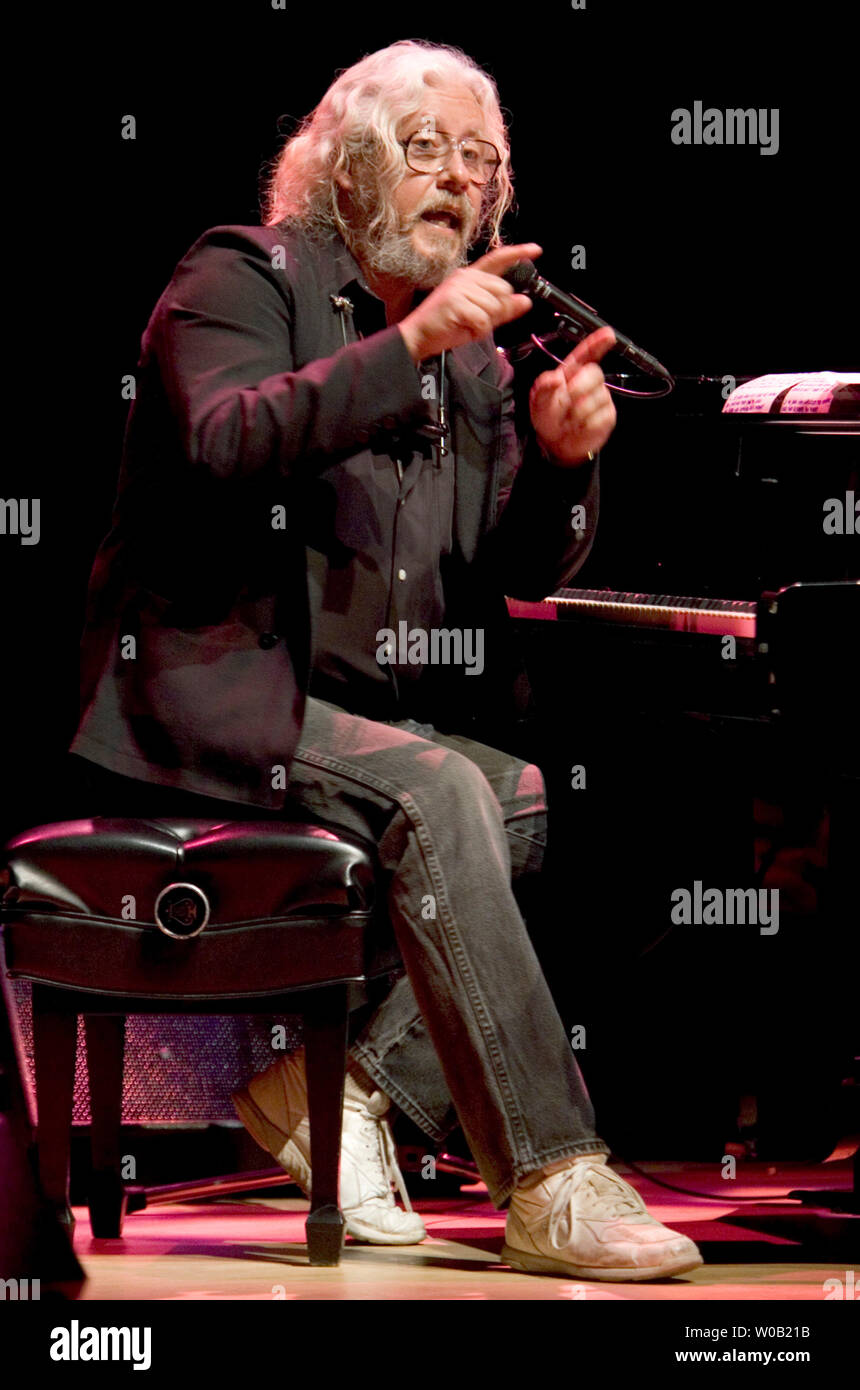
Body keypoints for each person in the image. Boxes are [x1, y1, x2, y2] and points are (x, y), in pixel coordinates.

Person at [66, 39, 702, 1281]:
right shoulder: (242, 273)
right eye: (426, 150)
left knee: (571, 808)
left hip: (376, 724)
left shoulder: (468, 357)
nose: (458, 183)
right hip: (222, 698)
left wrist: (565, 467)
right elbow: (222, 443)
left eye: (481, 161)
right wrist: (401, 354)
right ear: (348, 166)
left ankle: (330, 1090)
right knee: (446, 789)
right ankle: (551, 1178)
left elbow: (509, 570)